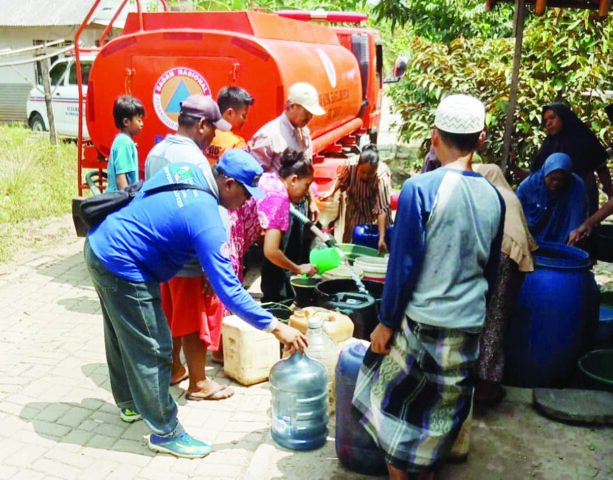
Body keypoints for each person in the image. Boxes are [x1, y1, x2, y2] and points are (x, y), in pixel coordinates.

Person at [85, 157, 307, 459]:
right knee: (154, 348)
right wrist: (276, 326)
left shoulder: (187, 171)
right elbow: (229, 291)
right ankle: (165, 431)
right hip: (124, 263)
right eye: (244, 194)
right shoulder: (207, 218)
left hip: (101, 243)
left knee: (119, 332)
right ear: (228, 184)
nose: (245, 203)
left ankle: (129, 403)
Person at [352, 94, 504, 480]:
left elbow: (402, 268)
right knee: (437, 421)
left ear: (434, 138)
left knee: (386, 404)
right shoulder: (495, 197)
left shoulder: (421, 189)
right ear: (481, 140)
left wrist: (386, 323)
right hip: (466, 329)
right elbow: (492, 273)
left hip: (422, 328)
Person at [145, 94, 236, 400]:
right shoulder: (196, 161)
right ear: (201, 125)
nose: (215, 135)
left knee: (170, 315)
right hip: (187, 255)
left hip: (160, 252)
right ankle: (198, 383)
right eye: (213, 128)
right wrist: (211, 267)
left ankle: (173, 369)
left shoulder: (156, 152)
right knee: (193, 321)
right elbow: (202, 214)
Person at [249, 82, 325, 289]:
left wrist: (311, 201)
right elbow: (255, 176)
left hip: (297, 202)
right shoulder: (270, 134)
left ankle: (294, 292)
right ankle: (274, 300)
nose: (309, 117)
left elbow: (305, 170)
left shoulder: (304, 132)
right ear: (291, 106)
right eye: (306, 111)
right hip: (276, 204)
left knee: (295, 251)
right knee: (275, 255)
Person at [472, 163, 537, 405]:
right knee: (498, 320)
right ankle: (487, 382)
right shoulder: (510, 195)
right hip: (513, 262)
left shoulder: (490, 196)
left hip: (500, 260)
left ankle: (483, 386)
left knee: (490, 321)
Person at [508, 103, 612, 214]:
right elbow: (536, 177)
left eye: (552, 118)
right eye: (546, 120)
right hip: (554, 206)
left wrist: (611, 196)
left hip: (582, 204)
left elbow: (602, 169)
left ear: (564, 117)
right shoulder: (549, 145)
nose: (548, 123)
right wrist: (514, 167)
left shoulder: (584, 138)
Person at [320, 144, 393, 253]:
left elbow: (382, 210)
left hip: (375, 216)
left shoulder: (382, 176)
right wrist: (331, 192)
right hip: (355, 209)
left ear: (376, 169)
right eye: (363, 172)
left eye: (370, 173)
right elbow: (341, 179)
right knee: (351, 245)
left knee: (373, 249)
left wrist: (381, 238)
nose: (365, 176)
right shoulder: (350, 165)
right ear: (358, 165)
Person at [516, 152, 588, 244]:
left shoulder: (576, 185)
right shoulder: (532, 182)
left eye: (560, 180)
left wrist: (574, 233)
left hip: (560, 231)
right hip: (532, 232)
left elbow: (577, 215)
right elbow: (516, 205)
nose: (555, 183)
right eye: (552, 178)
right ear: (545, 174)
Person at [205, 86, 255, 166]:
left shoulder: (202, 134)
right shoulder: (237, 144)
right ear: (230, 113)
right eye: (244, 116)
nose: (245, 120)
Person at [106, 95, 145, 192]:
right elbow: (121, 178)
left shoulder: (122, 140)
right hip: (118, 201)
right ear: (126, 122)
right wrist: (128, 202)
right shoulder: (125, 143)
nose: (142, 124)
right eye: (138, 120)